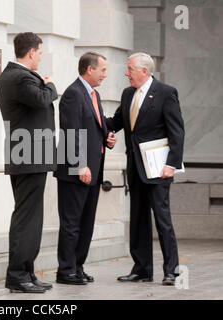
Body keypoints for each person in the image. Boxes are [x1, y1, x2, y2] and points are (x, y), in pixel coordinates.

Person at [106, 52, 185, 285]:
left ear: (144, 70)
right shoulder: (128, 93)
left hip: (158, 168)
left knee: (162, 219)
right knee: (138, 219)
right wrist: (100, 127)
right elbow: (117, 122)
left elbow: (177, 132)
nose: (126, 73)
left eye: (130, 69)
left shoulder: (166, 93)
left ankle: (172, 270)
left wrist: (172, 164)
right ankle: (142, 269)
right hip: (135, 167)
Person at [0, 32, 58, 293]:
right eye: (40, 53)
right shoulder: (20, 77)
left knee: (30, 217)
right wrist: (50, 85)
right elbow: (42, 99)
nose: (41, 58)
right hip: (28, 156)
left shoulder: (17, 76)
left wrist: (42, 84)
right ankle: (18, 275)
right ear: (31, 52)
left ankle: (26, 273)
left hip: (28, 156)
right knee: (27, 217)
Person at [54, 52, 117, 285]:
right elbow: (71, 132)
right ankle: (66, 270)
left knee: (86, 223)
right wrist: (79, 165)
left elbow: (94, 127)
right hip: (76, 172)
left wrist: (107, 138)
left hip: (94, 170)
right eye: (102, 70)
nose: (105, 74)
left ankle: (77, 266)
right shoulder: (73, 94)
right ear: (89, 70)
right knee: (71, 223)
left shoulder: (94, 94)